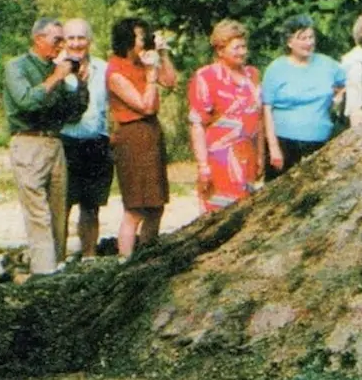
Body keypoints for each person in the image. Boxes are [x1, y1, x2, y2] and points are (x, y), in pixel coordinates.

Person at [3, 17, 89, 274]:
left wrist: (81, 84)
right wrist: (56, 77)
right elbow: (26, 102)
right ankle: (44, 274)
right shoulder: (16, 67)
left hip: (54, 143)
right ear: (38, 39)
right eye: (57, 40)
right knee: (38, 215)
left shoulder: (57, 70)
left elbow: (72, 114)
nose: (62, 45)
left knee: (58, 213)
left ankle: (55, 267)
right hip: (28, 142)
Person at [107, 17, 177, 259]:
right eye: (140, 37)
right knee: (136, 207)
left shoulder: (144, 63)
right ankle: (125, 260)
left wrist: (163, 54)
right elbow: (145, 106)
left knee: (156, 204)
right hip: (132, 134)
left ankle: (148, 254)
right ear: (127, 39)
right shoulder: (116, 70)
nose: (144, 41)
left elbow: (170, 81)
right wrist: (149, 75)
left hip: (152, 133)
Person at [187, 20, 264, 214]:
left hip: (248, 156)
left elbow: (259, 118)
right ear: (220, 50)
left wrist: (261, 155)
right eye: (236, 47)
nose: (242, 52)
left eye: (244, 46)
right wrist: (203, 165)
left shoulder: (252, 75)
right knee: (219, 216)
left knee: (246, 214)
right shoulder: (206, 76)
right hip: (219, 159)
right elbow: (197, 124)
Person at [261, 14, 346, 180]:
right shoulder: (276, 68)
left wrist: (338, 99)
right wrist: (273, 147)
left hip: (319, 141)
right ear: (289, 42)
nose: (309, 42)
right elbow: (266, 109)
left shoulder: (327, 64)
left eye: (311, 37)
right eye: (302, 38)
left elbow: (351, 82)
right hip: (284, 143)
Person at [59, 18, 113, 260]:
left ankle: (89, 256)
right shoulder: (55, 68)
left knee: (91, 206)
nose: (77, 43)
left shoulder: (104, 68)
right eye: (71, 38)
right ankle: (57, 259)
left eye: (81, 38)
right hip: (66, 142)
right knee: (62, 204)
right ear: (64, 41)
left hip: (96, 142)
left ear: (89, 41)